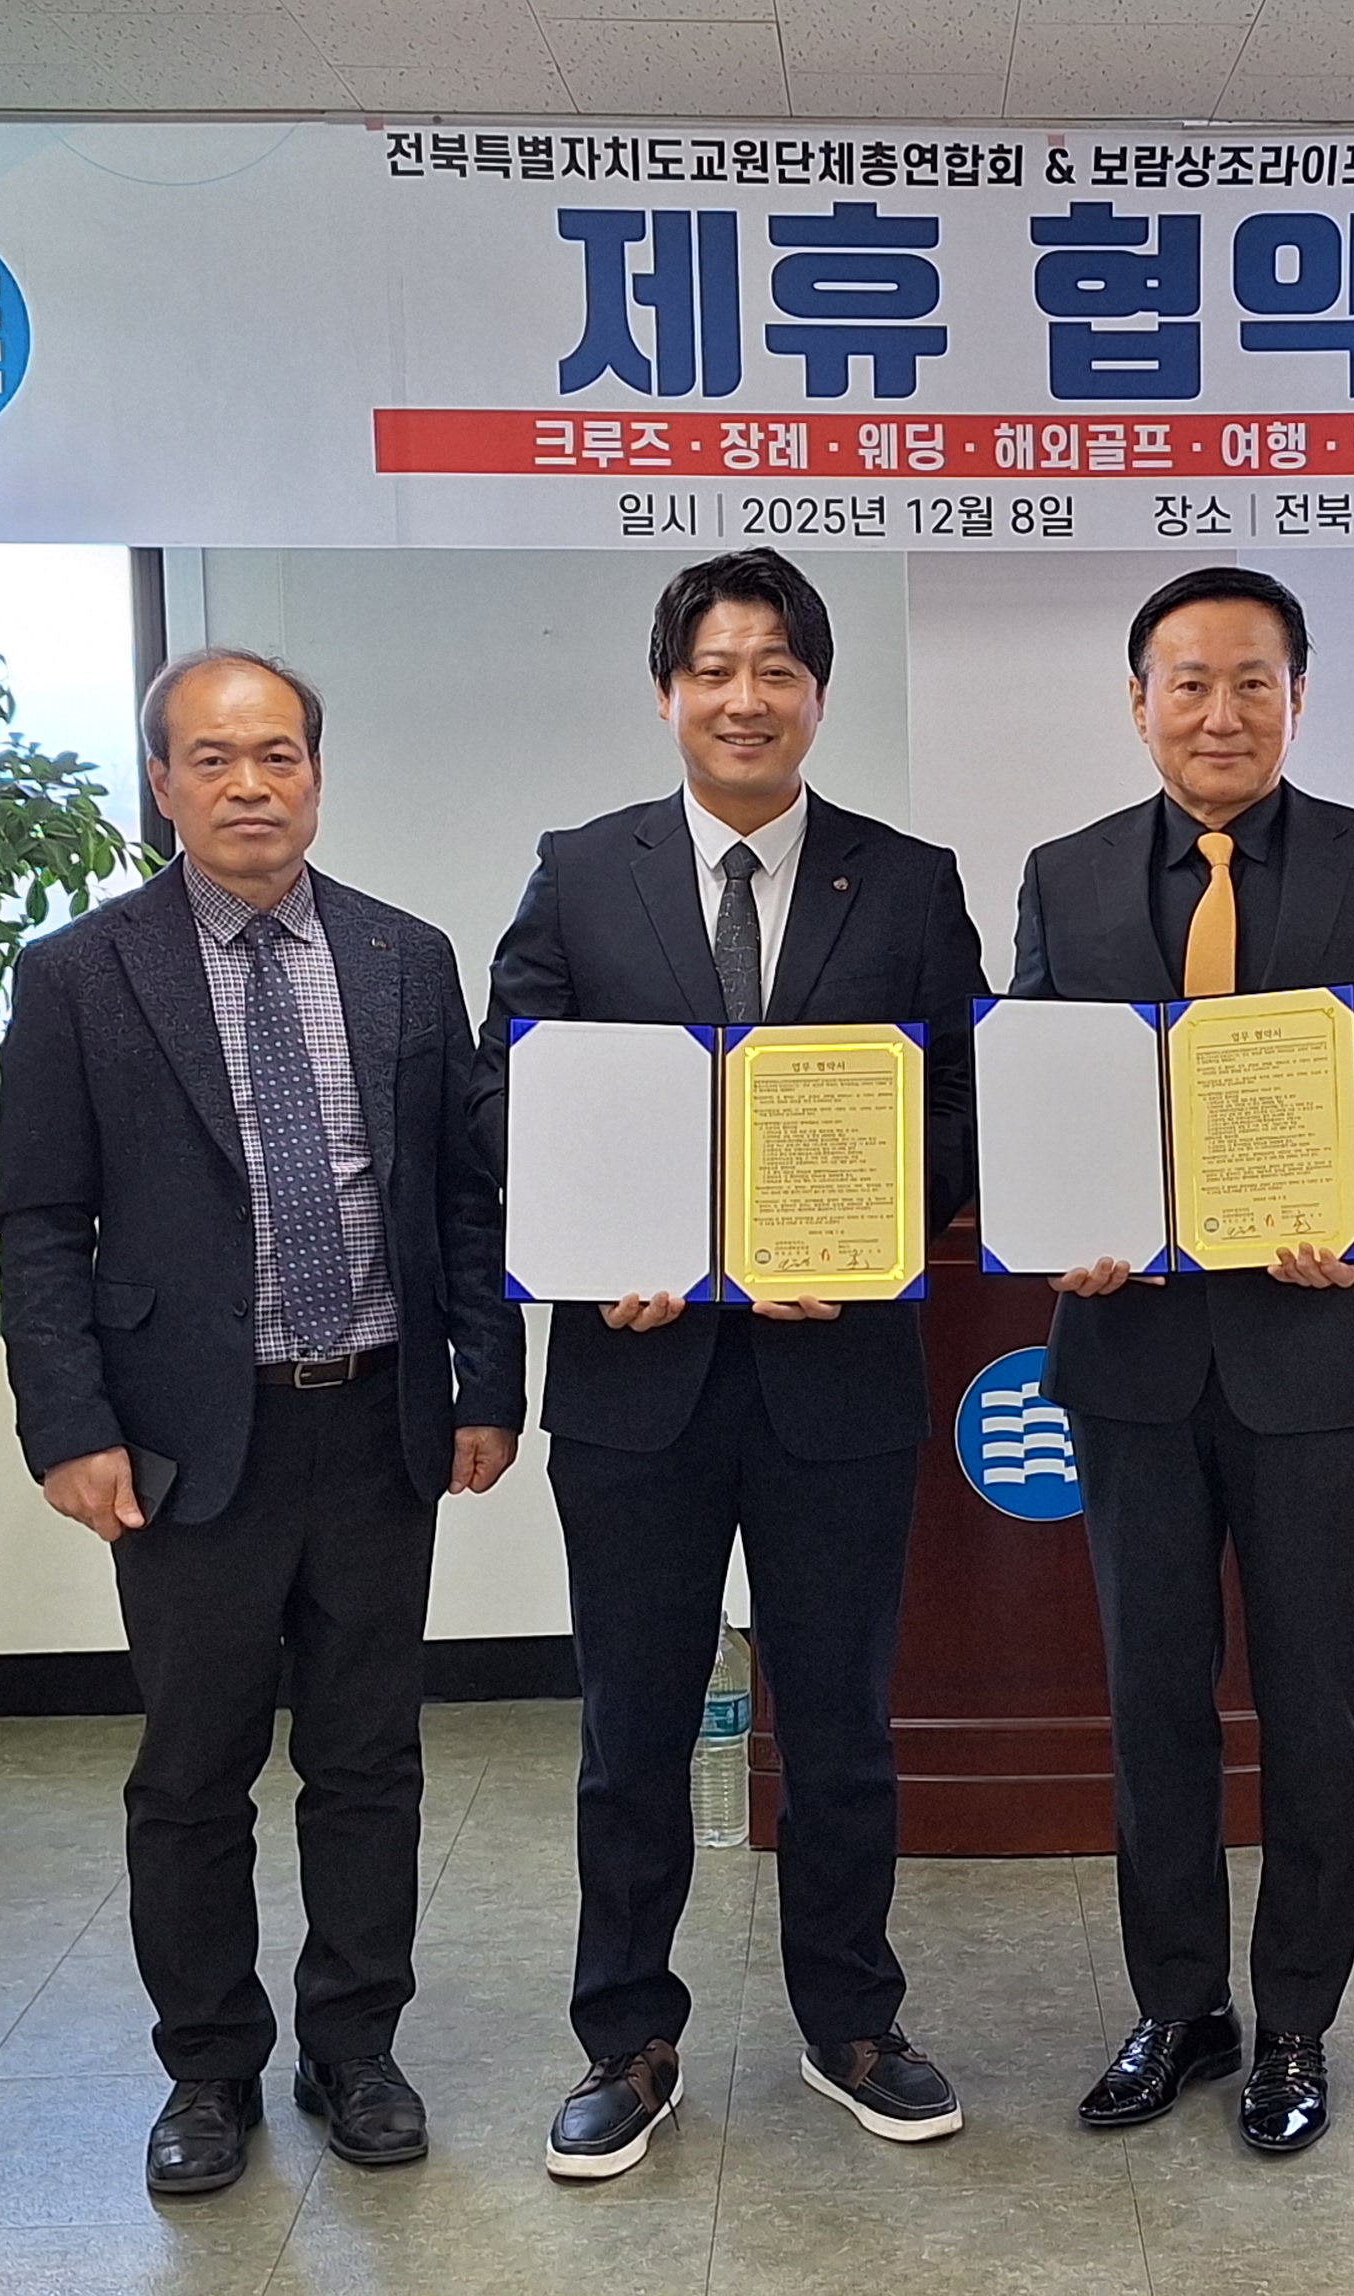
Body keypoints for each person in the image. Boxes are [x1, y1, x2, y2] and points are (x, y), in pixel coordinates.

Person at [0, 648, 526, 2196]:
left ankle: (355, 2046)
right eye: (215, 760)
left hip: (373, 1422)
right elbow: (43, 1222)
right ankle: (209, 2068)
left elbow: (462, 1197)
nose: (251, 787)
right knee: (193, 1772)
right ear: (163, 784)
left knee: (369, 1760)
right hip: (184, 1444)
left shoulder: (405, 956)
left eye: (279, 756)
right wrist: (69, 1425)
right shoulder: (82, 974)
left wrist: (487, 1384)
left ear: (317, 776)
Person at [486, 549, 988, 2180]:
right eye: (714, 668)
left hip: (836, 1376)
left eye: (777, 668)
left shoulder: (905, 882)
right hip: (636, 1383)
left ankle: (853, 2022)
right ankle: (626, 2039)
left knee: (840, 1723)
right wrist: (594, 1245)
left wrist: (863, 1232)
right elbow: (509, 1095)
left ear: (818, 696)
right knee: (630, 1728)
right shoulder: (581, 873)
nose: (745, 698)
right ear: (667, 693)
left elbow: (964, 1103)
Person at [1012, 566, 1354, 2155]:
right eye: (1190, 683)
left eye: (1253, 682)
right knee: (1151, 1697)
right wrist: (1055, 1215)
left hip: (1306, 1351)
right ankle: (1177, 2005)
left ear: (1297, 695)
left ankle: (1295, 2021)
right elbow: (1037, 1084)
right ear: (1138, 702)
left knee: (1310, 1698)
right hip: (1127, 1354)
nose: (1222, 714)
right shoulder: (1067, 874)